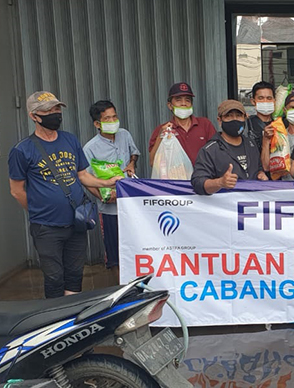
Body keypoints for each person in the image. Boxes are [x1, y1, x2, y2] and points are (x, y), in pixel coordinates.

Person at [8, 91, 122, 298]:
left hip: (77, 220)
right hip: (46, 227)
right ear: (34, 116)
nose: (55, 114)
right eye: (48, 111)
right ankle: (56, 313)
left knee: (75, 273)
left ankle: (71, 311)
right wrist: (38, 211)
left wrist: (107, 182)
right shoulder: (22, 150)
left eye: (57, 109)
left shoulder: (70, 140)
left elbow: (82, 175)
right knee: (54, 277)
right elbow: (16, 191)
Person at [83, 100, 140, 269]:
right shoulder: (90, 148)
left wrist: (132, 164)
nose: (113, 121)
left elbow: (134, 152)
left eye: (114, 117)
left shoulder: (124, 135)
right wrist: (102, 197)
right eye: (107, 119)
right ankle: (118, 283)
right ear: (97, 124)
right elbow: (85, 179)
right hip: (110, 210)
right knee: (115, 255)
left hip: (132, 205)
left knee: (137, 248)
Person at [191, 100, 267, 195]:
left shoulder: (251, 144)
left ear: (245, 118)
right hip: (224, 203)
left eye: (238, 116)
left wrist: (260, 174)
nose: (234, 119)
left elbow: (258, 168)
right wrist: (220, 182)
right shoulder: (210, 150)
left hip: (250, 202)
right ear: (219, 120)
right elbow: (198, 183)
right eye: (229, 116)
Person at [148, 82, 216, 168]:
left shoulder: (205, 124)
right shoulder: (162, 129)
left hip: (204, 175)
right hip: (176, 176)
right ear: (170, 105)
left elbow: (216, 154)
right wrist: (160, 136)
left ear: (191, 104)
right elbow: (153, 162)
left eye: (187, 100)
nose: (183, 103)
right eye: (178, 100)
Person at [261, 92, 294, 179]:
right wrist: (266, 140)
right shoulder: (279, 136)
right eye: (292, 108)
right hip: (285, 185)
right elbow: (266, 167)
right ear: (284, 110)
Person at [246, 81, 277, 153]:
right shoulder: (247, 124)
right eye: (261, 98)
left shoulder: (280, 124)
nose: (265, 101)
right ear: (253, 101)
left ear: (274, 101)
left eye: (269, 98)